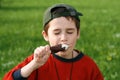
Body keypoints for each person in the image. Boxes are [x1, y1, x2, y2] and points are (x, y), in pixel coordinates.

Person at [3, 3, 104, 80]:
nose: (63, 38)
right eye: (56, 33)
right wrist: (33, 65)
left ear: (77, 34)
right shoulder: (37, 62)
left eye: (69, 32)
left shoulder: (88, 66)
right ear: (46, 35)